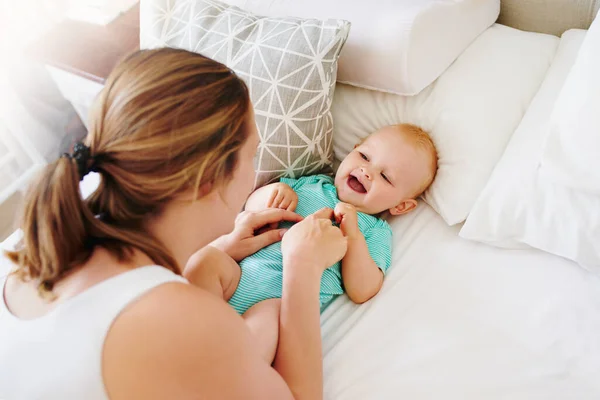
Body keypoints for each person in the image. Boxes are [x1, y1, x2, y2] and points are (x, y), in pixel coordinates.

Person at [0, 48, 348, 400]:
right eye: (252, 154)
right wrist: (303, 266)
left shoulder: (42, 239)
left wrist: (217, 248)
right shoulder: (177, 320)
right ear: (208, 179)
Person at [185, 123, 438, 363]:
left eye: (385, 176)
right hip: (236, 276)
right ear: (352, 150)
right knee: (210, 262)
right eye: (364, 156)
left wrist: (353, 236)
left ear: (401, 206)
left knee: (269, 320)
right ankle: (181, 322)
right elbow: (250, 211)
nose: (367, 171)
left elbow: (363, 289)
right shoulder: (312, 183)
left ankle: (235, 367)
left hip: (277, 302)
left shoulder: (375, 231)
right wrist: (273, 195)